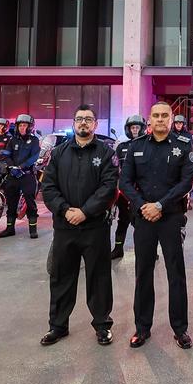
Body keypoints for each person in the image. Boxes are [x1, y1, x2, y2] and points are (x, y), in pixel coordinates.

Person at [119, 102, 193, 349]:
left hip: (171, 217)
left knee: (176, 274)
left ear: (172, 118)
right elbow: (125, 181)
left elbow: (186, 181)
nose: (160, 119)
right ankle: (142, 328)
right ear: (149, 120)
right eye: (156, 116)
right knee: (143, 273)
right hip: (143, 217)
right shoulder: (136, 146)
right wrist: (144, 206)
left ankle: (180, 329)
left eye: (165, 115)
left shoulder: (184, 146)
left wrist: (160, 205)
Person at [39, 105, 118, 347]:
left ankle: (102, 325)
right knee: (62, 277)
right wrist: (65, 210)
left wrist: (85, 212)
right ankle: (58, 326)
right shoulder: (59, 153)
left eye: (88, 119)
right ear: (74, 123)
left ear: (95, 124)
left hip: (95, 227)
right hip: (65, 227)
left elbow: (108, 187)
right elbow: (48, 186)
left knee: (99, 277)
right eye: (79, 119)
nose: (83, 123)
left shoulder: (105, 153)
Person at [0, 114, 41, 238]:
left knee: (30, 201)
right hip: (13, 175)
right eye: (20, 125)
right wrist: (12, 167)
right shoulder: (13, 140)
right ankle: (10, 228)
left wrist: (21, 167)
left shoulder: (34, 140)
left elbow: (34, 157)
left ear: (30, 127)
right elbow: (7, 154)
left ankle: (33, 229)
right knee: (11, 202)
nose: (22, 128)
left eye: (24, 125)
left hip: (27, 175)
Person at [112, 114, 146, 258]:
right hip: (124, 191)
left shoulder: (148, 145)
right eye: (132, 127)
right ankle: (118, 249)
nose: (135, 130)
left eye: (137, 127)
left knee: (141, 223)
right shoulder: (121, 147)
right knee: (122, 220)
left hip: (141, 192)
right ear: (128, 129)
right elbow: (114, 168)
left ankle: (146, 250)